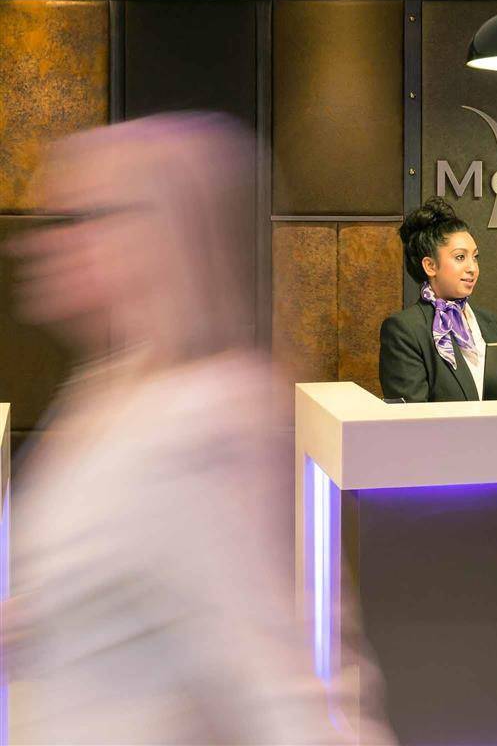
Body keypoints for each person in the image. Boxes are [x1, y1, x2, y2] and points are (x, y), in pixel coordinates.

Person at [3, 113, 396, 745]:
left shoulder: (205, 423)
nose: (39, 243)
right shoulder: (107, 385)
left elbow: (279, 684)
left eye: (77, 219)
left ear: (156, 235)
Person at [379, 197, 497, 402]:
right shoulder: (405, 330)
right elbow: (410, 415)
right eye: (460, 257)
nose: (472, 268)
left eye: (475, 257)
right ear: (430, 266)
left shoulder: (494, 323)